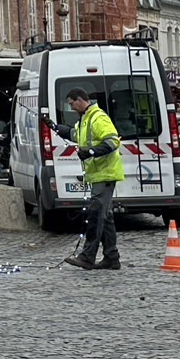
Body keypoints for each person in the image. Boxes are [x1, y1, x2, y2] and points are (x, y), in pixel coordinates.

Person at [56, 87, 124, 270]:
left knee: (96, 216)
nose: (71, 108)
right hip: (99, 175)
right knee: (106, 218)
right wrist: (57, 128)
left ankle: (87, 256)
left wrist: (91, 152)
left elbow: (112, 141)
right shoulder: (86, 120)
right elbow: (75, 135)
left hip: (105, 174)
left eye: (71, 104)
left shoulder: (98, 117)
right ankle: (111, 257)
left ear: (79, 100)